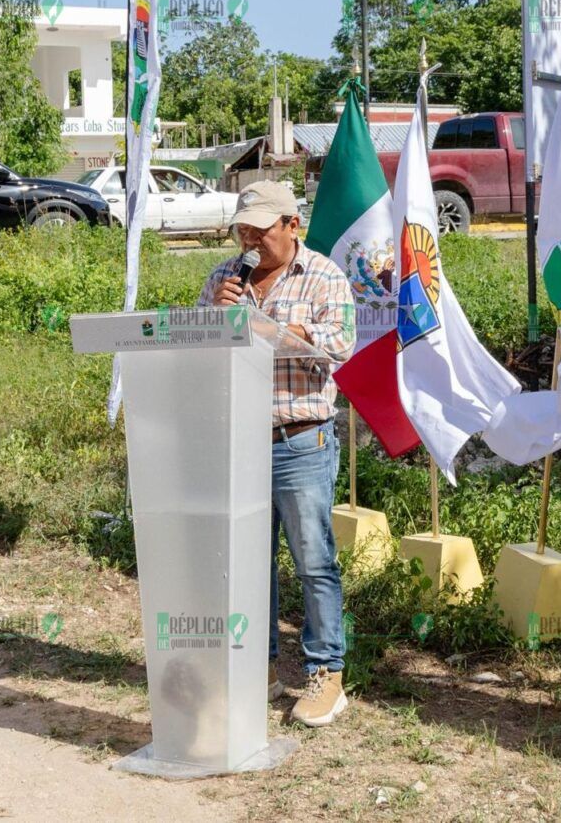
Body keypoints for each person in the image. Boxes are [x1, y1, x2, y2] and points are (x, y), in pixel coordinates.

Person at [197, 180, 355, 728]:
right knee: (247, 560)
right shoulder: (224, 278)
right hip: (239, 441)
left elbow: (340, 346)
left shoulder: (325, 277)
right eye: (242, 230)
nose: (248, 240)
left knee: (313, 561)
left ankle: (326, 674)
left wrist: (281, 329)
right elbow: (200, 352)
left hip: (300, 441)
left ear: (292, 225)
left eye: (259, 230)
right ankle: (257, 667)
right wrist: (216, 318)